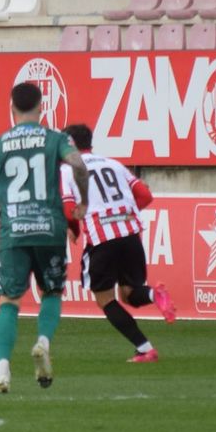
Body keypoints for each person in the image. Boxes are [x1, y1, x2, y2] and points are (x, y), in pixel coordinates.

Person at [0, 82, 90, 394]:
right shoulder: (56, 139)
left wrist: (3, 193)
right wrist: (83, 201)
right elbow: (78, 164)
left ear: (11, 109)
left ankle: (2, 371)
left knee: (9, 301)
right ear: (42, 107)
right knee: (51, 292)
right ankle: (42, 342)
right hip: (49, 228)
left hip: (13, 231)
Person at [58, 123, 176, 362]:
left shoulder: (68, 170)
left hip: (102, 240)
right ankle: (154, 295)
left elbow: (69, 211)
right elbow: (145, 195)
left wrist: (74, 230)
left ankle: (145, 348)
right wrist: (121, 215)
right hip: (130, 234)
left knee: (105, 299)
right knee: (129, 294)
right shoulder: (113, 163)